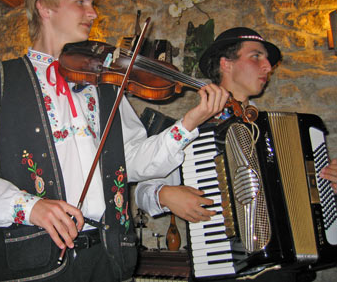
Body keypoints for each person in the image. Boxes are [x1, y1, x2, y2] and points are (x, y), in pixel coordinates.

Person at [0, 0, 229, 281]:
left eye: (91, 4)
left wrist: (189, 123)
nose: (93, 13)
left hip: (106, 258)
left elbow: (132, 161)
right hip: (33, 265)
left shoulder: (105, 86)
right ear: (45, 8)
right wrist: (31, 207)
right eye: (81, 2)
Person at [135, 27, 337, 281]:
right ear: (226, 64)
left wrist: (328, 189)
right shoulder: (190, 132)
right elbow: (142, 191)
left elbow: (310, 208)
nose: (268, 67)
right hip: (227, 270)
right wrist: (164, 194)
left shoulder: (279, 133)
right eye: (256, 56)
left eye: (268, 61)